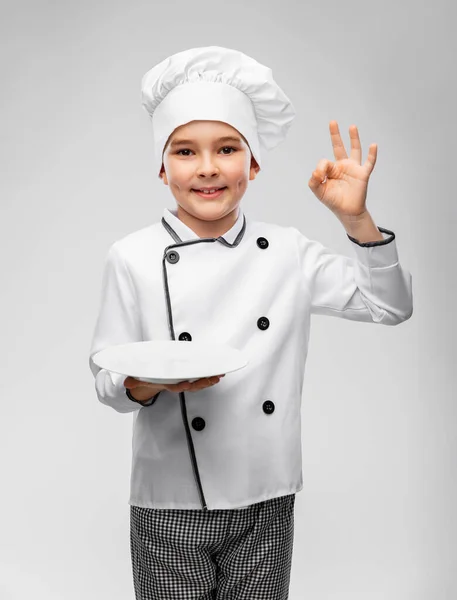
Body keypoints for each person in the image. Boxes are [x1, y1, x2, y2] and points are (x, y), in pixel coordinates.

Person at [88, 46, 413, 600]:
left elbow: (390, 306)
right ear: (162, 168)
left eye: (228, 149)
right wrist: (147, 383)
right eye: (186, 151)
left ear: (253, 165)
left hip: (266, 493)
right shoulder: (131, 256)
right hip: (168, 499)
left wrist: (355, 219)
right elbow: (107, 381)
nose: (208, 167)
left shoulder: (288, 252)